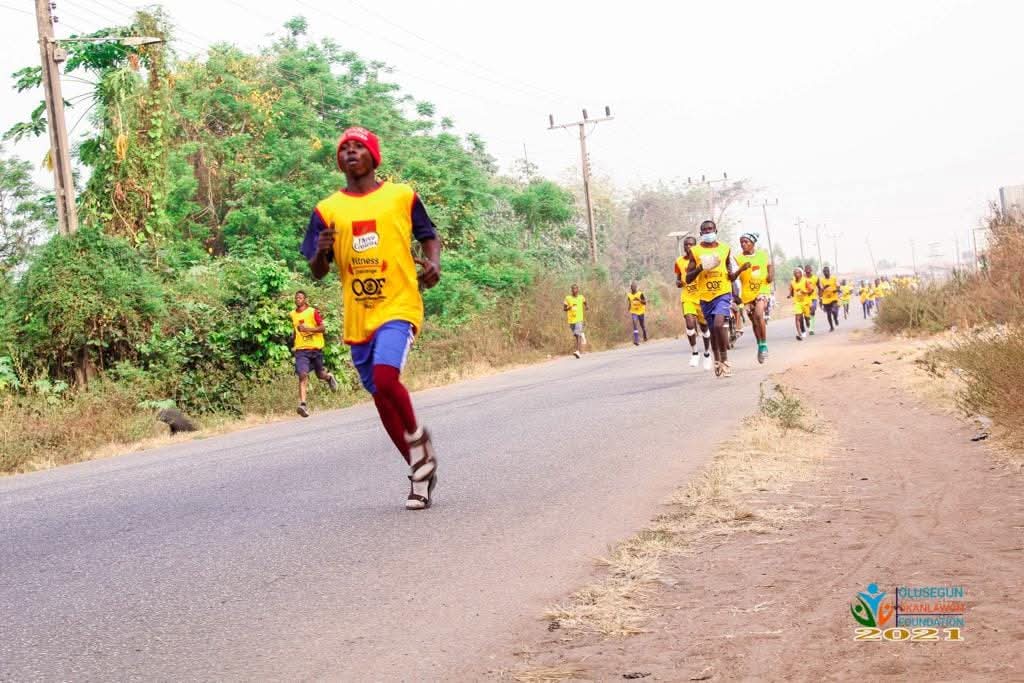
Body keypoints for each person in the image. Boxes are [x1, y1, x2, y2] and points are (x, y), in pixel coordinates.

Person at [301, 126, 442, 511]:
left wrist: (433, 264)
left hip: (398, 305)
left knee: (385, 376)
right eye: (343, 147)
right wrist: (322, 252)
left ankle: (418, 439)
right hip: (358, 314)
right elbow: (317, 270)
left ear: (373, 156)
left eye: (358, 146)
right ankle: (420, 470)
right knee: (380, 396)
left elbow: (430, 235)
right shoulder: (327, 209)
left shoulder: (401, 196)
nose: (349, 152)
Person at [685, 220, 736, 377]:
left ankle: (725, 360)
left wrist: (734, 293)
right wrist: (700, 268)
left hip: (723, 293)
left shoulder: (725, 249)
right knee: (713, 329)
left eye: (710, 229)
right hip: (705, 296)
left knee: (720, 325)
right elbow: (688, 278)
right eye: (705, 230)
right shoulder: (695, 251)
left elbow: (729, 271)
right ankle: (717, 360)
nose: (708, 232)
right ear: (701, 234)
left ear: (716, 230)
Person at [290, 290, 339, 417]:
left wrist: (308, 329)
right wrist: (293, 340)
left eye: (300, 298)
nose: (298, 300)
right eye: (296, 298)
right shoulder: (293, 314)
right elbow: (295, 330)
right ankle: (303, 404)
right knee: (302, 374)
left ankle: (329, 377)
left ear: (305, 299)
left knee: (320, 374)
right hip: (301, 350)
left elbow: (322, 328)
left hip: (316, 349)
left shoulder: (312, 312)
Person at [734, 232, 773, 363]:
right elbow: (732, 276)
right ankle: (760, 345)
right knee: (754, 321)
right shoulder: (738, 258)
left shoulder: (762, 255)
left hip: (762, 289)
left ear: (753, 243)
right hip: (747, 293)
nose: (743, 244)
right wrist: (741, 269)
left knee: (758, 314)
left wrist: (770, 276)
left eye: (746, 242)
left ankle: (764, 345)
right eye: (741, 242)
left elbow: (769, 266)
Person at [675, 235, 712, 369]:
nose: (688, 247)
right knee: (690, 324)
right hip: (687, 297)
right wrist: (678, 283)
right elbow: (678, 279)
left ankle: (707, 354)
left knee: (704, 328)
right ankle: (695, 352)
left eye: (691, 244)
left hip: (702, 297)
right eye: (686, 244)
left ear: (696, 246)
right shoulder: (679, 261)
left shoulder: (702, 260)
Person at [787, 267, 812, 340]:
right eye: (795, 273)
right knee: (797, 318)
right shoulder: (792, 282)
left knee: (807, 319)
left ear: (801, 273)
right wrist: (789, 295)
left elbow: (811, 290)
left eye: (798, 272)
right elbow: (790, 291)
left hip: (805, 302)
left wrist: (805, 292)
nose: (796, 274)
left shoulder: (805, 281)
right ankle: (800, 334)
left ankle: (808, 322)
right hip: (797, 302)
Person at [564, 283, 588, 358]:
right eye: (573, 289)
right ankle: (582, 334)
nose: (574, 290)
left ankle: (578, 351)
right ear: (571, 290)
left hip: (579, 319)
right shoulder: (568, 298)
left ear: (578, 290)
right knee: (576, 334)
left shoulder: (581, 297)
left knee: (577, 334)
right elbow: (564, 309)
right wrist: (569, 308)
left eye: (576, 289)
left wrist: (586, 306)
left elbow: (585, 302)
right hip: (571, 320)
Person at [819, 266, 840, 332]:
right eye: (825, 272)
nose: (826, 273)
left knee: (834, 310)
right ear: (823, 273)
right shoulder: (822, 280)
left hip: (834, 297)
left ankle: (835, 318)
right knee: (828, 314)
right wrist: (824, 288)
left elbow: (838, 286)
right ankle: (831, 327)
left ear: (829, 272)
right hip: (826, 299)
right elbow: (820, 291)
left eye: (827, 271)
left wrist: (836, 290)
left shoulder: (834, 278)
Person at [803, 264, 820, 335]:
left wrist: (821, 295)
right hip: (805, 298)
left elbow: (819, 287)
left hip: (813, 297)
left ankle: (811, 328)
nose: (808, 270)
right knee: (806, 314)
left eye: (809, 269)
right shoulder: (802, 278)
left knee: (812, 310)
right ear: (804, 270)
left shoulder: (816, 278)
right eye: (806, 269)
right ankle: (807, 321)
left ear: (811, 270)